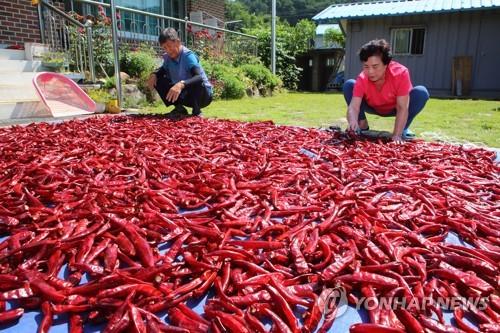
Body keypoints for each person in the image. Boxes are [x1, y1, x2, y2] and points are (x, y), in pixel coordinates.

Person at [343, 39, 429, 143]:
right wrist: (352, 120)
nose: (370, 72)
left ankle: (403, 129)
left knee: (421, 93)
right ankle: (362, 123)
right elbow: (354, 106)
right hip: (372, 106)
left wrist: (396, 135)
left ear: (386, 64)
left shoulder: (401, 73)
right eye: (366, 66)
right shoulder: (362, 78)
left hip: (395, 108)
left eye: (375, 66)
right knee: (349, 84)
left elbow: (402, 107)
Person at [147, 28, 212, 117]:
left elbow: (198, 77)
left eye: (169, 46)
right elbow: (162, 70)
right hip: (185, 96)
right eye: (165, 48)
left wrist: (181, 84)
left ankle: (197, 112)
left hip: (203, 97)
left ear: (178, 42)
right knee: (159, 79)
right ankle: (179, 109)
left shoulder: (188, 55)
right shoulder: (168, 57)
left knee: (196, 80)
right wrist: (154, 74)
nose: (168, 50)